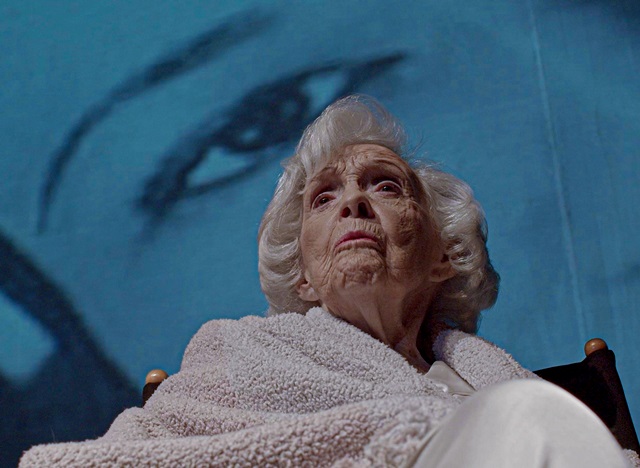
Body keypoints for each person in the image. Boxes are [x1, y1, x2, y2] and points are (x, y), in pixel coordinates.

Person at [20, 96, 637, 467]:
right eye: (324, 198)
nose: (353, 204)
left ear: (444, 255)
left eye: (385, 186)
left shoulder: (504, 388)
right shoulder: (237, 359)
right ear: (306, 279)